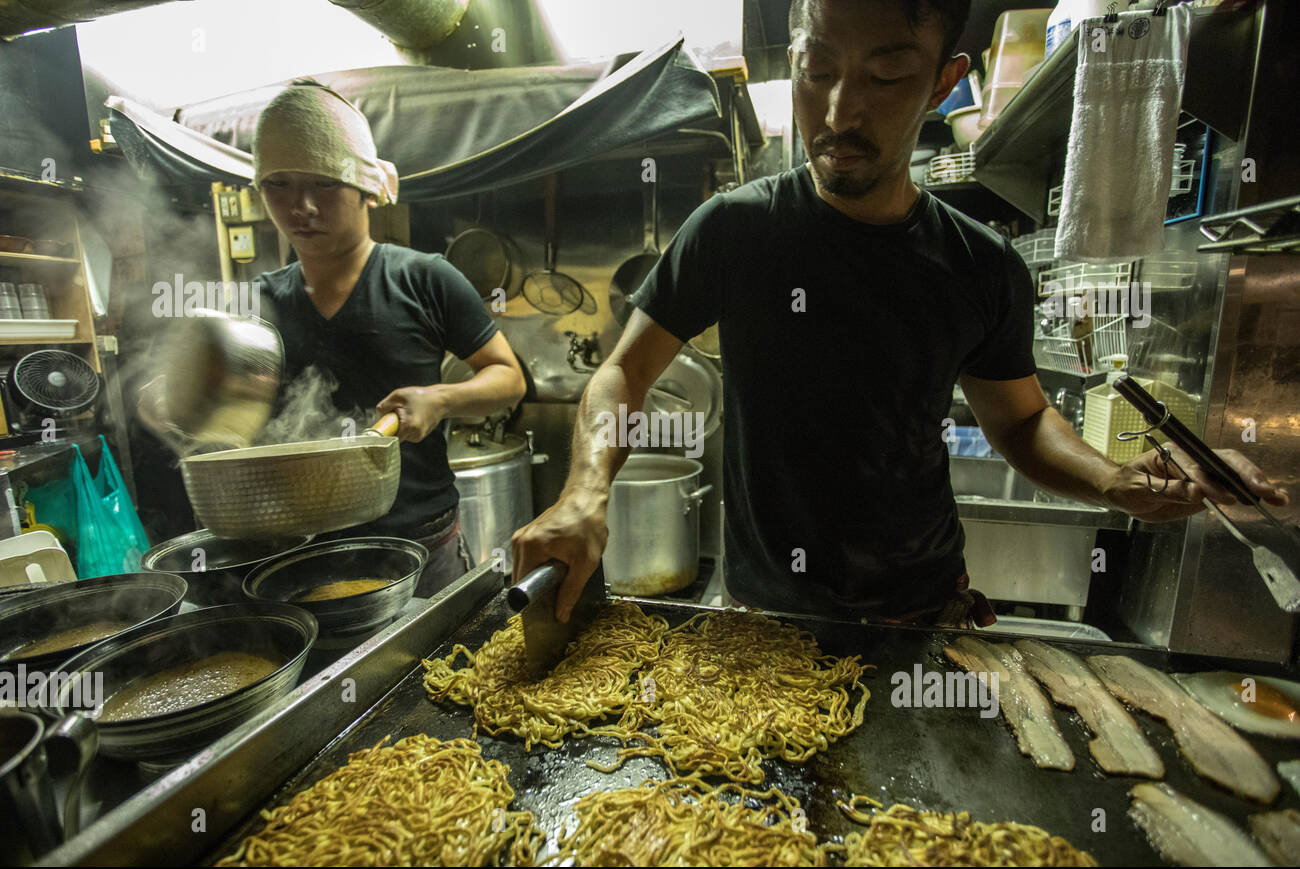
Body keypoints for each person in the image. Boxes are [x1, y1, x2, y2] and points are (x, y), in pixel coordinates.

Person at [511, 0, 1288, 627]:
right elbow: (625, 373)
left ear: (945, 80)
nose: (839, 112)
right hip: (760, 623)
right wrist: (584, 493)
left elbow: (1019, 424)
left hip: (920, 615)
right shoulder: (733, 230)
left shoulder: (983, 267)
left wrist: (1115, 481)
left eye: (885, 76)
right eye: (818, 71)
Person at [252, 81, 526, 597]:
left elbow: (508, 378)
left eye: (325, 184)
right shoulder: (256, 304)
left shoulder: (426, 278)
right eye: (279, 185)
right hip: (299, 555)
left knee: (440, 677)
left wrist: (439, 399)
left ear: (368, 188)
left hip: (421, 547)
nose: (301, 206)